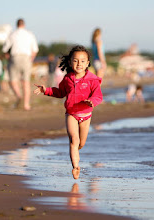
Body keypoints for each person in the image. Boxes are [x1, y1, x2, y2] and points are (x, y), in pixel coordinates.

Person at [34, 45, 103, 179]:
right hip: (71, 114)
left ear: (88, 63)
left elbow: (98, 95)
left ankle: (76, 152)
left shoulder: (92, 80)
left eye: (83, 61)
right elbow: (60, 93)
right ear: (70, 62)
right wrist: (46, 90)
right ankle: (76, 167)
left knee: (81, 143)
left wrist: (92, 101)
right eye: (76, 60)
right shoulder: (68, 79)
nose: (79, 64)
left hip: (86, 115)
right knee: (74, 140)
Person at [2, 18, 39, 110]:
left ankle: (19, 96)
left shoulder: (13, 34)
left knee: (13, 80)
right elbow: (35, 50)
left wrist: (8, 56)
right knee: (26, 82)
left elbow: (5, 49)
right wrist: (31, 59)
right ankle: (26, 104)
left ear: (16, 25)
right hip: (27, 58)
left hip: (15, 57)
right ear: (24, 25)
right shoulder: (29, 34)